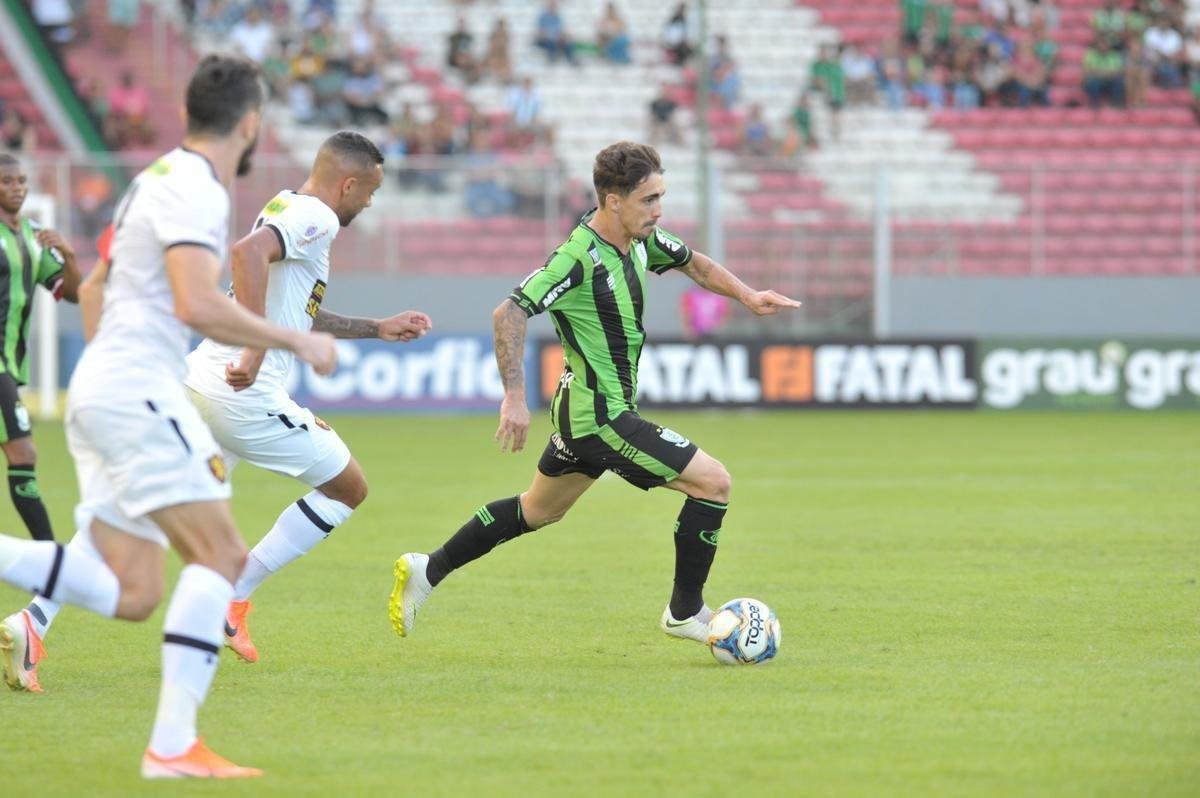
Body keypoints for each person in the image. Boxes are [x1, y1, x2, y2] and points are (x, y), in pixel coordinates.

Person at [0, 54, 337, 778]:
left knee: (134, 590)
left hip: (109, 386)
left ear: (187, 114)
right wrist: (292, 338)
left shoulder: (151, 181)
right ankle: (173, 745)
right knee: (219, 557)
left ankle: (170, 744)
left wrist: (114, 365)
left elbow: (93, 285)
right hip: (137, 391)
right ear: (251, 125)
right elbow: (194, 301)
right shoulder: (196, 190)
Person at [388, 141, 801, 645]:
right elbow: (509, 312)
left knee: (539, 510)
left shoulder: (643, 241)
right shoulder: (577, 258)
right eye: (648, 199)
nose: (658, 210)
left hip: (581, 411)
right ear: (612, 200)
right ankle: (685, 611)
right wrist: (514, 397)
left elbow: (696, 264)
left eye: (660, 197)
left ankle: (428, 569)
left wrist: (748, 295)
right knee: (713, 482)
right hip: (599, 417)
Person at [183, 131, 432, 662]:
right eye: (370, 191)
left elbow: (294, 307)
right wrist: (254, 347)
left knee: (138, 515)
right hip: (243, 396)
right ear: (348, 183)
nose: (369, 202)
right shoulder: (315, 217)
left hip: (200, 378)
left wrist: (375, 328)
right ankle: (233, 597)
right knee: (348, 488)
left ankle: (34, 618)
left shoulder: (286, 207)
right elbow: (245, 253)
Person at [0, 154, 82, 544]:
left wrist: (67, 255)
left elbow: (73, 294)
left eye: (20, 180)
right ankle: (51, 559)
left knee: (21, 455)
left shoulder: (34, 237)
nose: (16, 187)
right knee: (23, 453)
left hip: (10, 365)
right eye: (6, 181)